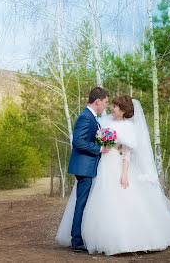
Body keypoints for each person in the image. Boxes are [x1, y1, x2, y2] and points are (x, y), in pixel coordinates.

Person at [56, 95, 170, 256]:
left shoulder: (128, 128)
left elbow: (126, 153)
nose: (111, 108)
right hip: (100, 166)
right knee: (97, 201)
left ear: (123, 110)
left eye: (115, 106)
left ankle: (124, 240)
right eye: (111, 105)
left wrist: (125, 173)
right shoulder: (104, 122)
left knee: (119, 200)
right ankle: (92, 238)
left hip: (116, 165)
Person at [66, 87, 110, 251]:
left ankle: (79, 237)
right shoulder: (86, 117)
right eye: (105, 102)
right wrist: (99, 149)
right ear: (97, 101)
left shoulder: (92, 117)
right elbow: (77, 141)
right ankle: (76, 241)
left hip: (87, 166)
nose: (106, 105)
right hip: (84, 167)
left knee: (84, 203)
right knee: (81, 203)